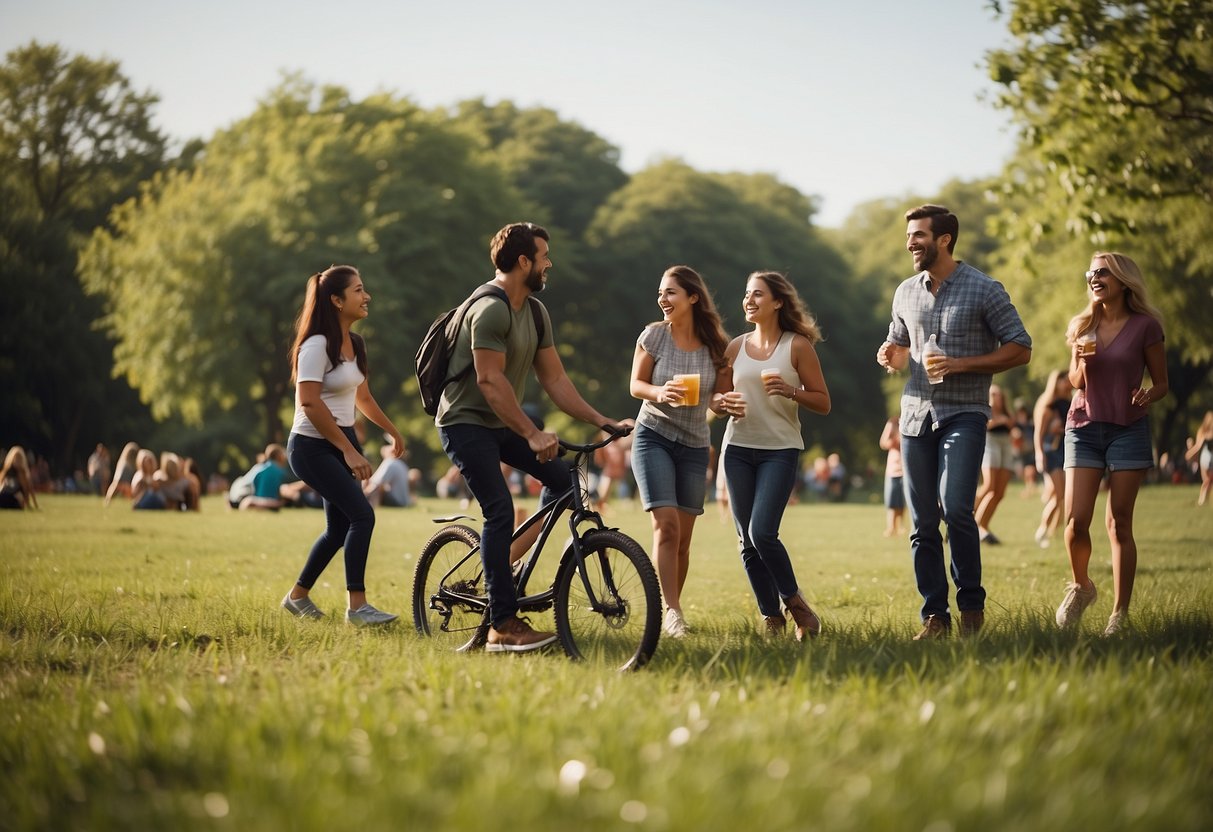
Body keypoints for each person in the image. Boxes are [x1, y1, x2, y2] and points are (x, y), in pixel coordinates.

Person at [436, 222, 629, 653]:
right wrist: (532, 432)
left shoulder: (536, 313)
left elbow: (556, 380)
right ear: (524, 261)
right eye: (544, 256)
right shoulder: (489, 309)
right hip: (465, 422)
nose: (549, 263)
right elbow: (488, 380)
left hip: (502, 423)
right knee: (499, 508)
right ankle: (501, 625)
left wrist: (604, 422)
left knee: (564, 482)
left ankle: (504, 563)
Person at [876, 204, 1032, 640]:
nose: (911, 243)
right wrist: (889, 354)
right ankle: (935, 617)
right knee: (923, 522)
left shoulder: (985, 289)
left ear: (944, 239)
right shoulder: (905, 291)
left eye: (919, 235)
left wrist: (962, 364)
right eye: (909, 236)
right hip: (914, 417)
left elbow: (1021, 347)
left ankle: (971, 608)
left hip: (964, 412)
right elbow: (897, 342)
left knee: (958, 507)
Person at [280, 265, 406, 626]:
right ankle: (357, 607)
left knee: (338, 528)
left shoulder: (357, 344)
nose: (366, 296)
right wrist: (348, 450)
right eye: (358, 290)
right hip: (311, 445)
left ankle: (297, 597)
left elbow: (362, 396)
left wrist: (392, 431)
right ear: (336, 300)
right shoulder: (316, 346)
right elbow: (309, 403)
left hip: (341, 440)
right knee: (362, 515)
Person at [1055, 252, 1168, 636]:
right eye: (1090, 272)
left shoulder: (1146, 327)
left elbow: (1162, 383)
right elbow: (1074, 381)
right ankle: (1082, 586)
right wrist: (1082, 363)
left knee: (1119, 522)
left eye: (1102, 272)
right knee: (1075, 521)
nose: (1094, 277)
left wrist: (1147, 396)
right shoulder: (1082, 324)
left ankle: (1119, 614)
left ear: (1122, 280)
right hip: (1084, 426)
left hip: (1127, 428)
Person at [714, 270, 831, 640]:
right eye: (747, 294)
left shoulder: (797, 346)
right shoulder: (734, 347)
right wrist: (722, 403)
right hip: (737, 449)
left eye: (758, 295)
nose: (749, 300)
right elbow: (717, 400)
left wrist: (790, 391)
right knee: (746, 541)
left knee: (762, 532)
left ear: (778, 302)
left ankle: (796, 606)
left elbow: (823, 402)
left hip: (779, 449)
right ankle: (772, 618)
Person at [629, 264, 731, 639]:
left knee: (684, 540)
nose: (662, 299)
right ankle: (671, 612)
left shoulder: (716, 345)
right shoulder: (654, 336)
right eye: (660, 292)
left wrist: (725, 402)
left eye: (670, 292)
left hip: (694, 444)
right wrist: (660, 392)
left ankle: (670, 608)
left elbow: (718, 398)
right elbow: (636, 384)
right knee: (667, 526)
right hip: (653, 434)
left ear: (692, 297)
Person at [1033, 370, 1072, 548]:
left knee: (1061, 495)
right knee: (1059, 494)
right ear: (1055, 383)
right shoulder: (1049, 406)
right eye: (1063, 380)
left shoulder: (1071, 403)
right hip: (1051, 451)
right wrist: (1039, 454)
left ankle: (1053, 530)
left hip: (1066, 451)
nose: (1067, 383)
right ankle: (1042, 529)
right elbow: (1039, 433)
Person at [974, 384, 1018, 544]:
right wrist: (999, 420)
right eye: (993, 393)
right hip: (990, 443)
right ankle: (971, 523)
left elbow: (1012, 425)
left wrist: (1009, 424)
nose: (996, 397)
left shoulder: (1007, 412)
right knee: (989, 487)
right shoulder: (985, 409)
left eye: (998, 394)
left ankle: (983, 525)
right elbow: (984, 425)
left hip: (1006, 444)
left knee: (999, 492)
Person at [236, 444, 290, 511]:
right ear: (279, 456)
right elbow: (262, 496)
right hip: (245, 500)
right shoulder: (276, 470)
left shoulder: (260, 466)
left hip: (236, 499)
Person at [364, 441, 414, 507]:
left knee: (376, 487)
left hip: (396, 502)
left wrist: (364, 495)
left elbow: (376, 483)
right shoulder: (402, 464)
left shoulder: (390, 462)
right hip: (404, 502)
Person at [879, 415, 905, 538]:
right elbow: (883, 442)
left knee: (902, 501)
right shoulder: (892, 422)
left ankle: (900, 527)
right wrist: (895, 441)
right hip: (894, 469)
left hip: (907, 469)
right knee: (891, 501)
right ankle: (890, 527)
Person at [1184, 410, 1213, 507]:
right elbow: (1198, 446)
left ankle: (1203, 500)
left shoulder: (1203, 433)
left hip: (1204, 459)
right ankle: (1203, 501)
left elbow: (1198, 446)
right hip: (1209, 459)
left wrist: (1189, 454)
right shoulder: (1206, 435)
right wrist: (1190, 454)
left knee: (1206, 481)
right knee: (1208, 481)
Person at [0, 446, 40, 510]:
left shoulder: (6, 472)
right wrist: (32, 504)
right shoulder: (21, 472)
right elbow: (28, 489)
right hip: (12, 499)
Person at [105, 442, 140, 506]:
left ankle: (108, 501)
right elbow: (118, 480)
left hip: (123, 484)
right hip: (123, 484)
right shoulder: (125, 465)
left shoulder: (125, 463)